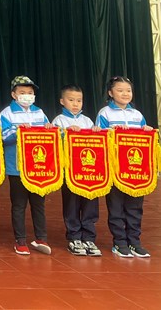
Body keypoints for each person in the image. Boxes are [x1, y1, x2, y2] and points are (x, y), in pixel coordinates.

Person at [97, 75, 154, 258]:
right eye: (120, 90)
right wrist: (110, 133)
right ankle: (119, 242)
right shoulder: (105, 113)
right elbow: (99, 138)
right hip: (115, 169)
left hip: (135, 170)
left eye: (128, 90)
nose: (125, 94)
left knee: (135, 208)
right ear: (110, 93)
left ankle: (135, 242)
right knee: (116, 208)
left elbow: (144, 140)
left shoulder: (137, 115)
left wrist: (146, 130)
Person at [0, 75, 53, 256]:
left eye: (30, 92)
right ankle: (20, 240)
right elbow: (1, 136)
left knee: (39, 204)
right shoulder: (7, 113)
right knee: (19, 204)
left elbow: (49, 132)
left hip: (38, 167)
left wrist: (49, 129)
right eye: (22, 92)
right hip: (16, 166)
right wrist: (17, 131)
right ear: (14, 94)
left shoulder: (39, 112)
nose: (27, 96)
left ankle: (41, 238)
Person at [52, 85, 101, 257]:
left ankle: (89, 237)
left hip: (89, 172)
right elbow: (53, 142)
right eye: (71, 100)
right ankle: (74, 237)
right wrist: (65, 134)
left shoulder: (88, 121)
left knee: (90, 203)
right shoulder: (58, 121)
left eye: (79, 100)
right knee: (72, 204)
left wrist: (96, 132)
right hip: (70, 171)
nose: (75, 104)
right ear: (62, 101)